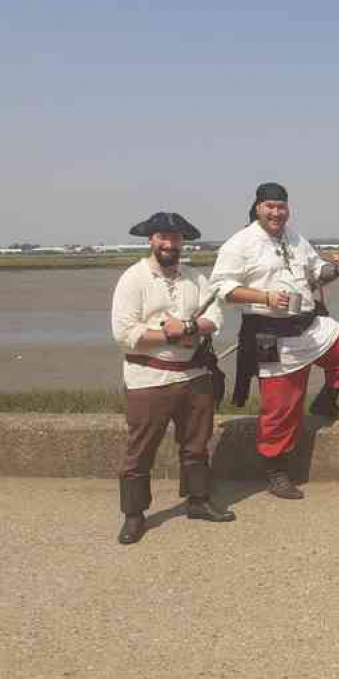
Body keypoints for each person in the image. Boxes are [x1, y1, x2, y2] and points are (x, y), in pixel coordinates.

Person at [210, 182, 339, 500]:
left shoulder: (295, 238)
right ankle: (276, 470)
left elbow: (316, 272)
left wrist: (335, 268)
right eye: (270, 206)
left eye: (281, 207)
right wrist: (265, 296)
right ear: (257, 208)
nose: (276, 212)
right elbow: (221, 288)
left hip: (310, 326)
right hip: (268, 334)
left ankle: (327, 401)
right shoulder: (239, 243)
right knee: (280, 408)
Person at [111, 212, 234, 544]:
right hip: (147, 378)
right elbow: (124, 334)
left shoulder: (195, 278)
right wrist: (170, 336)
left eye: (175, 237)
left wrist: (190, 327)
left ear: (182, 241)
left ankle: (198, 501)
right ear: (151, 240)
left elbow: (216, 317)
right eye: (162, 237)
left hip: (195, 375)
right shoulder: (133, 279)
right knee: (140, 451)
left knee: (196, 445)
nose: (169, 243)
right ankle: (134, 516)